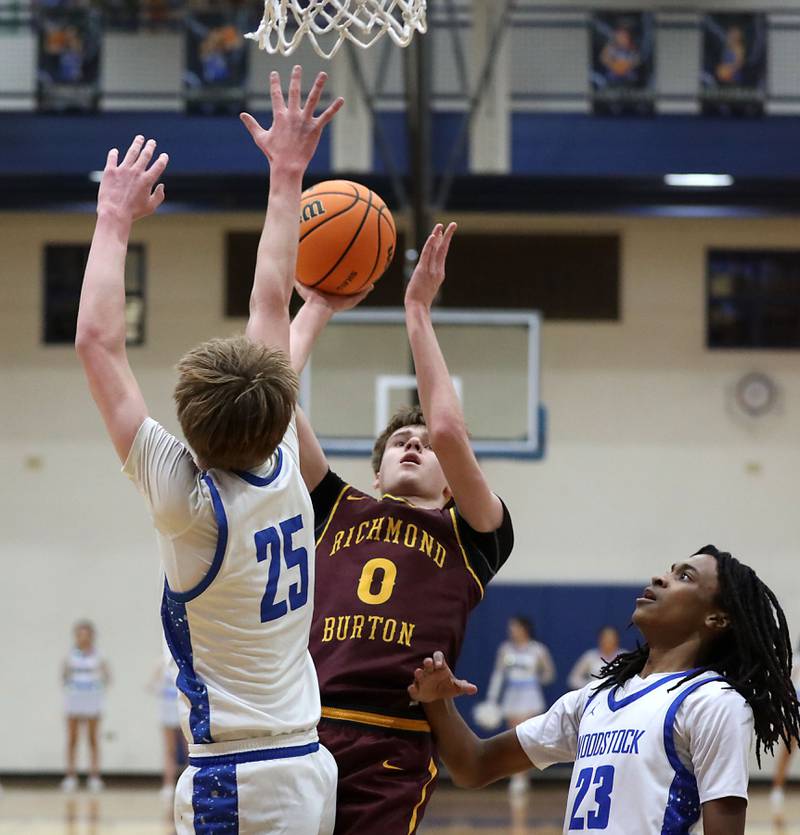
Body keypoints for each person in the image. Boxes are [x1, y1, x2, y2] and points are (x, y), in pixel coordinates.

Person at [75, 65, 343, 833]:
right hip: (304, 763)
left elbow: (99, 341)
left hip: (241, 777)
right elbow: (269, 297)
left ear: (187, 428)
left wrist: (113, 223)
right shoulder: (287, 454)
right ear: (280, 405)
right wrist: (288, 172)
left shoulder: (190, 507)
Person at [287, 223, 514, 834]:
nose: (415, 446)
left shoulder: (475, 534)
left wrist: (417, 310)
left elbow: (447, 430)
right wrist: (316, 307)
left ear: (452, 481)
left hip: (395, 735)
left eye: (424, 445)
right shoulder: (336, 505)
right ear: (378, 468)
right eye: (398, 443)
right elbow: (271, 396)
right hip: (302, 727)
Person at [408, 546, 800, 835]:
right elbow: (473, 765)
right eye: (669, 570)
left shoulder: (713, 702)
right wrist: (438, 701)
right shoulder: (593, 699)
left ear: (717, 618)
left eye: (685, 577)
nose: (661, 578)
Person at [483, 616, 555, 795]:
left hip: (530, 697)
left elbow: (549, 674)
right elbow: (498, 675)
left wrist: (533, 678)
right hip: (512, 697)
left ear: (524, 629)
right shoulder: (505, 649)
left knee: (527, 738)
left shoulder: (538, 649)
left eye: (514, 627)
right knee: (514, 739)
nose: (511, 630)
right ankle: (517, 777)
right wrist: (492, 699)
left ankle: (523, 777)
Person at [61, 620, 110, 793]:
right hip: (74, 699)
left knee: (92, 738)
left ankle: (94, 776)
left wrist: (96, 688)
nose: (83, 638)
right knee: (73, 739)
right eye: (80, 634)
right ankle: (70, 776)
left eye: (86, 634)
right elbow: (64, 676)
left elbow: (107, 676)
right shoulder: (70, 655)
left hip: (92, 700)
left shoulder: (99, 655)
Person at [147, 651, 187, 803]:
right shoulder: (161, 662)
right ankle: (168, 785)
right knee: (169, 749)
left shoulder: (185, 660)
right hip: (167, 710)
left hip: (183, 710)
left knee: (188, 749)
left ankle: (188, 784)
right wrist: (161, 690)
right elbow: (151, 685)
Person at [770, 639, 800, 820]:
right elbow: (789, 680)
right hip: (796, 703)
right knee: (788, 749)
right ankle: (777, 792)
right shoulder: (795, 658)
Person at [567, 625, 623, 690]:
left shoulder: (624, 657)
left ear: (617, 639)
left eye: (611, 638)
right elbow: (573, 679)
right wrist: (590, 686)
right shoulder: (590, 656)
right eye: (605, 638)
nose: (608, 641)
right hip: (593, 694)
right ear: (600, 639)